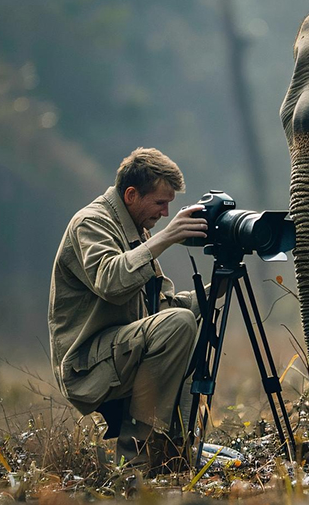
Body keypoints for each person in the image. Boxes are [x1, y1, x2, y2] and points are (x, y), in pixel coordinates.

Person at [48, 147, 208, 472]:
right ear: (132, 195)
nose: (166, 213)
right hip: (85, 365)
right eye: (161, 203)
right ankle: (135, 463)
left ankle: (175, 452)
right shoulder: (91, 223)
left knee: (193, 321)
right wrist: (164, 240)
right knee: (179, 324)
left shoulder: (137, 231)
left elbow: (165, 306)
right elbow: (110, 281)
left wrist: (213, 291)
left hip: (119, 350)